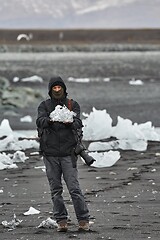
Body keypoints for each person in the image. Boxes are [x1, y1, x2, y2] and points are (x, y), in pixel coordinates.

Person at [36, 76, 90, 232]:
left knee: (74, 188)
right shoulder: (44, 105)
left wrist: (70, 121)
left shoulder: (73, 104)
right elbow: (39, 121)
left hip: (69, 153)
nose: (57, 90)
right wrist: (51, 120)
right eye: (55, 88)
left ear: (64, 89)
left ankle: (83, 220)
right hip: (50, 154)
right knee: (56, 190)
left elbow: (79, 123)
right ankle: (61, 221)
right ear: (51, 90)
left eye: (60, 88)